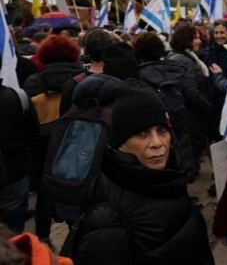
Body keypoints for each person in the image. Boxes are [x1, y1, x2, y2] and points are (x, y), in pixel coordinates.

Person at [70, 78, 215, 265]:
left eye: (162, 130)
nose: (156, 143)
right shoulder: (107, 218)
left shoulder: (170, 179)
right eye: (142, 133)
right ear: (120, 143)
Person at [23, 34, 85, 247]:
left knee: (43, 198)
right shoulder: (82, 80)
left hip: (42, 151)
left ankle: (42, 239)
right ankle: (75, 239)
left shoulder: (33, 82)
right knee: (75, 196)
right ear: (73, 54)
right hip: (75, 150)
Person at [0, 57, 40, 234]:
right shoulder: (18, 97)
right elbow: (33, 136)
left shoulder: (20, 96)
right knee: (13, 233)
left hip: (14, 173)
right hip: (14, 172)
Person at [168, 23, 212, 176]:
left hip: (190, 117)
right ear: (186, 40)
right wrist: (208, 108)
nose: (199, 41)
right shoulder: (183, 60)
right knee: (190, 158)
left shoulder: (185, 58)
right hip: (190, 118)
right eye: (195, 38)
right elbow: (191, 93)